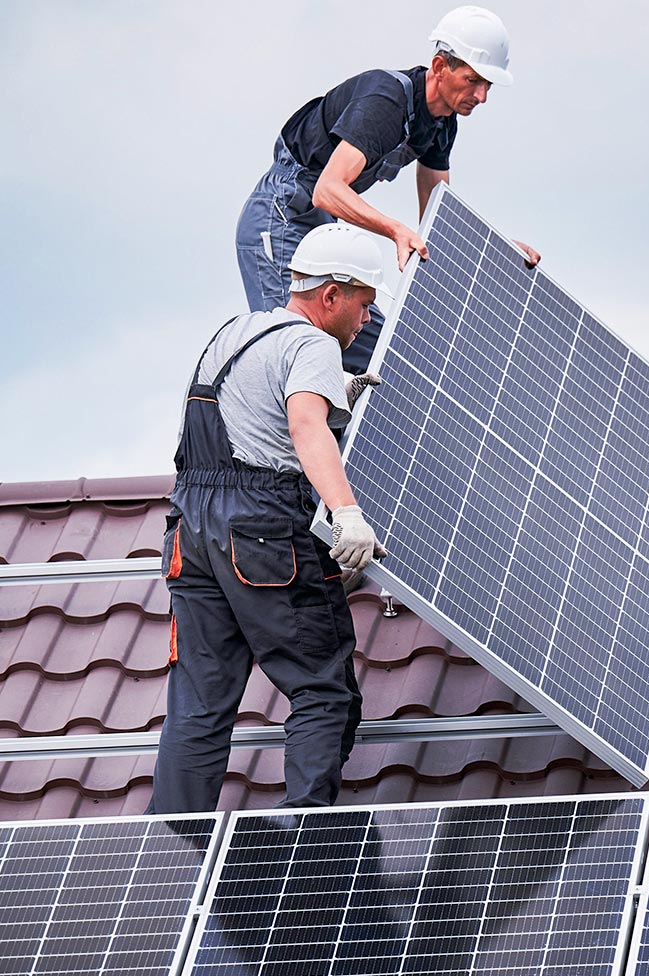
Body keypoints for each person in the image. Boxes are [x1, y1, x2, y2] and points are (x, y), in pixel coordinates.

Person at [149, 223, 390, 814]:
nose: (365, 321)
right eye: (362, 305)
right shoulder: (313, 346)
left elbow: (249, 419)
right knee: (321, 689)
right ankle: (301, 855)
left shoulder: (233, 331)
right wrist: (347, 512)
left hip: (191, 529)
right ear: (330, 295)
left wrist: (335, 398)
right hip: (259, 529)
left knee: (200, 704)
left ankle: (170, 862)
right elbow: (304, 428)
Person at [235, 5, 539, 375]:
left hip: (322, 229)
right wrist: (394, 229)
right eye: (474, 80)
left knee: (385, 359)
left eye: (488, 85)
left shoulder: (443, 125)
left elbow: (438, 220)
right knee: (296, 348)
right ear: (440, 67)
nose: (482, 95)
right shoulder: (387, 101)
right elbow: (327, 190)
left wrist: (497, 251)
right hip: (281, 216)